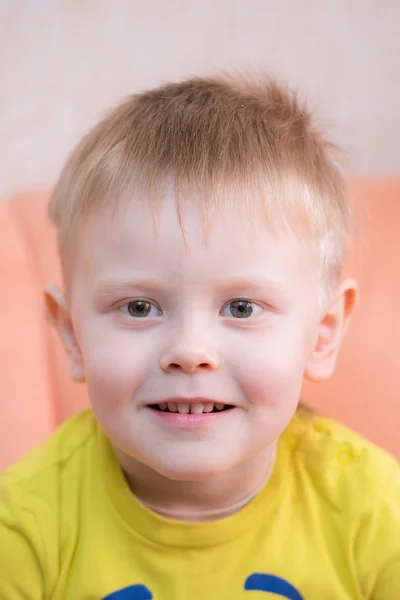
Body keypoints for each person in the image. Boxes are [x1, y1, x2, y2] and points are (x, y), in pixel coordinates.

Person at [0, 74, 399, 600]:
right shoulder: (25, 525)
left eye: (241, 307)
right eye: (139, 307)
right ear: (72, 335)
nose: (189, 352)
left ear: (322, 335)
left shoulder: (374, 511)